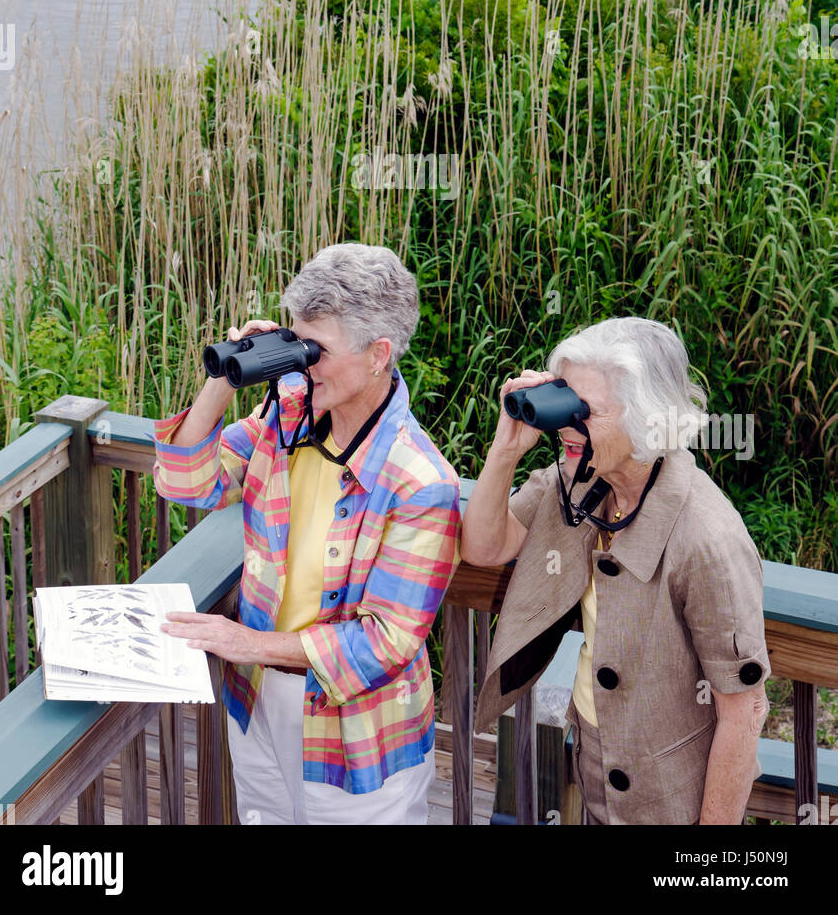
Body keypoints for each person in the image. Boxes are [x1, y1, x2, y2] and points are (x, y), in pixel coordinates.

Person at [153, 242, 460, 824]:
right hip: (261, 704)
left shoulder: (421, 483)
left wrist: (244, 644)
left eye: (315, 351)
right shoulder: (286, 414)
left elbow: (384, 644)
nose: (301, 363)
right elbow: (186, 482)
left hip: (357, 733)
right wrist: (226, 373)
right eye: (296, 344)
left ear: (378, 354)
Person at [462, 316, 770, 825]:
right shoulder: (581, 480)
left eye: (586, 411)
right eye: (565, 400)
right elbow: (485, 545)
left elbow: (745, 711)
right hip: (590, 756)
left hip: (669, 793)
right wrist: (506, 448)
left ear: (649, 418)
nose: (565, 425)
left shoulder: (706, 537)